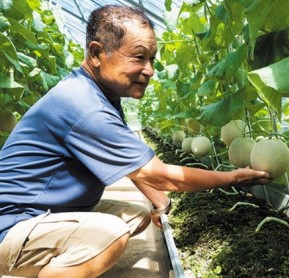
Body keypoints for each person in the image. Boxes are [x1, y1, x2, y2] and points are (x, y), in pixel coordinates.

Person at [0, 5, 271, 278]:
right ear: (96, 53)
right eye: (139, 57)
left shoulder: (101, 95)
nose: (150, 70)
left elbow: (134, 166)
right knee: (110, 234)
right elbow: (161, 175)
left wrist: (162, 205)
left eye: (152, 59)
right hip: (13, 225)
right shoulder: (83, 105)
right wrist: (233, 177)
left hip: (44, 213)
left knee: (137, 216)